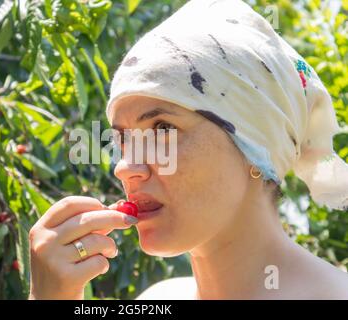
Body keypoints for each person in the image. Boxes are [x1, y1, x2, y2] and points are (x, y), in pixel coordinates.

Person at [28, 0, 348, 299]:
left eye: (163, 129)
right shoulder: (158, 297)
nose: (124, 167)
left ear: (256, 149)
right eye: (123, 139)